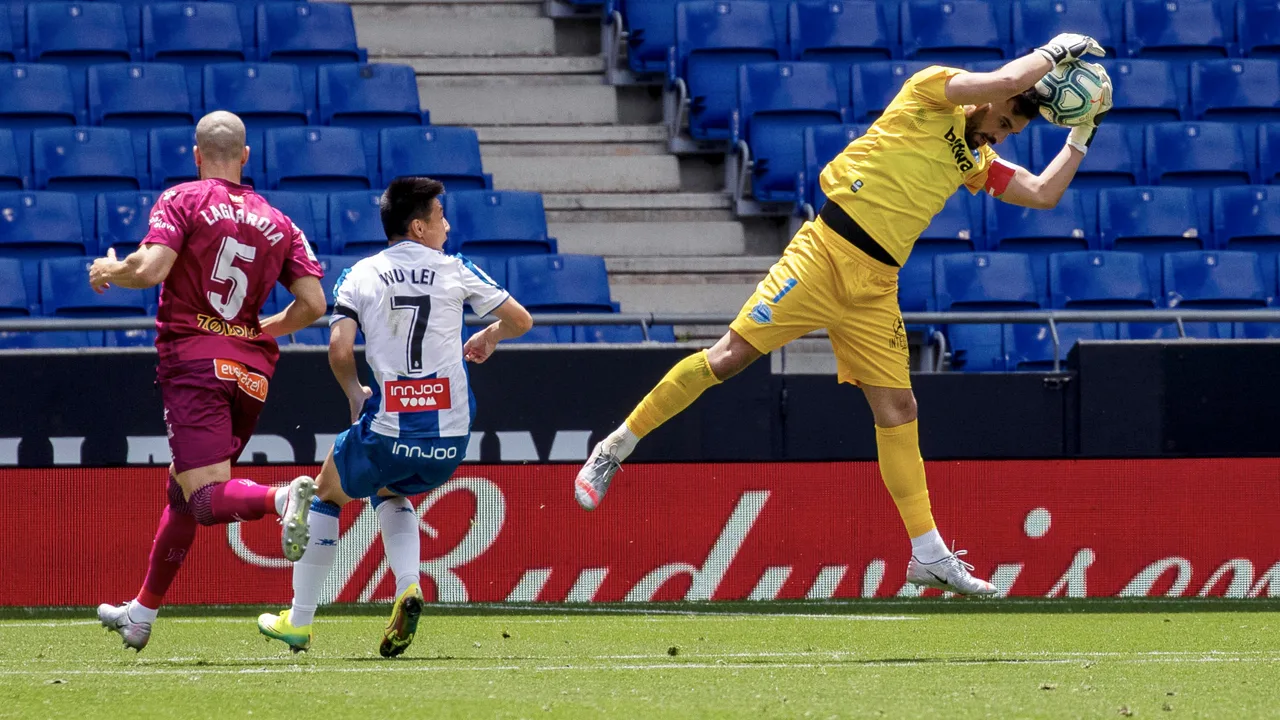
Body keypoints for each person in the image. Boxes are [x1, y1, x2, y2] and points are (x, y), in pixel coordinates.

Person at [574, 36, 1113, 596]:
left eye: (1007, 136)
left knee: (899, 409)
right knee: (728, 358)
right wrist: (1056, 50)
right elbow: (1005, 82)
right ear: (993, 106)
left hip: (876, 288)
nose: (1000, 138)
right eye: (1004, 127)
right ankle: (615, 448)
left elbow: (1044, 193)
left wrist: (1082, 131)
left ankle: (928, 555)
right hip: (824, 253)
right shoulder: (932, 92)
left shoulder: (974, 159)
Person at [257, 177, 533, 656]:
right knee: (391, 489)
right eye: (441, 216)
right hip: (451, 441)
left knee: (325, 492)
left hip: (390, 432)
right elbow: (521, 321)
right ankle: (408, 585)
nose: (447, 224)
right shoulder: (456, 269)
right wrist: (489, 337)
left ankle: (298, 622)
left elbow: (340, 350)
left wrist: (353, 394)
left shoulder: (359, 275)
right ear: (419, 227)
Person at [92, 111, 328, 650]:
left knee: (203, 499)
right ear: (246, 157)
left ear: (196, 156)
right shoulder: (280, 220)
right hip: (249, 371)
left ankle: (280, 498)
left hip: (194, 362)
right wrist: (259, 328)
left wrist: (110, 271)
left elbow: (151, 270)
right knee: (182, 490)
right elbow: (314, 302)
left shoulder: (183, 199)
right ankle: (142, 614)